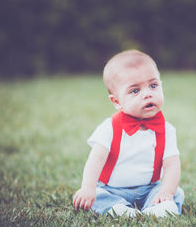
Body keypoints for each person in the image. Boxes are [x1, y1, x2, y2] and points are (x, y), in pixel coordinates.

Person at [72, 50, 184, 217]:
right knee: (97, 196)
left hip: (149, 188)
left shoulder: (167, 130)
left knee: (176, 192)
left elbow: (172, 165)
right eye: (135, 91)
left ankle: (156, 208)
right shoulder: (109, 127)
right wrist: (88, 188)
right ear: (117, 101)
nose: (147, 94)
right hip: (111, 189)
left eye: (153, 86)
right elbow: (96, 159)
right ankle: (118, 209)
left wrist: (166, 191)